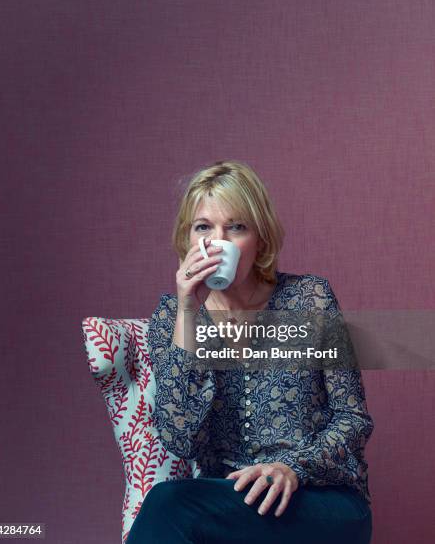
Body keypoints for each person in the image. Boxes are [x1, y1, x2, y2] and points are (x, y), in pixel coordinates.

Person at [127, 160, 373, 544]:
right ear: (187, 240)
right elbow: (178, 438)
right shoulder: (174, 317)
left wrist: (293, 467)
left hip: (321, 498)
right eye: (203, 227)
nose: (216, 241)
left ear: (260, 239)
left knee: (167, 507)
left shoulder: (310, 298)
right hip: (231, 503)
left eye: (236, 227)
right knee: (169, 504)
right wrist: (189, 312)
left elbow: (353, 419)